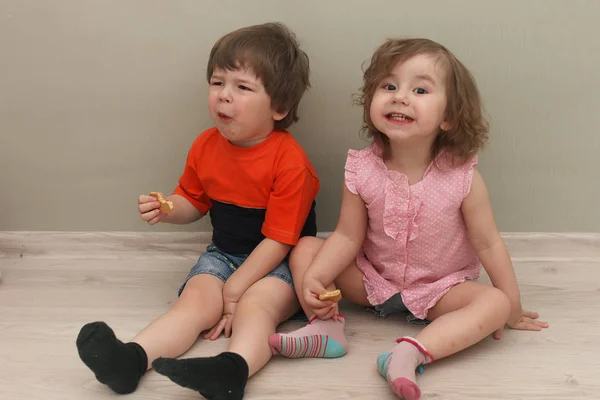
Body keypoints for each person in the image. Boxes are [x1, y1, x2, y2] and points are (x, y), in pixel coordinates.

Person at [269, 38, 548, 400]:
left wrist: (512, 305)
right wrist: (318, 278)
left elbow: (488, 242)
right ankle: (326, 327)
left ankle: (409, 352)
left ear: (448, 116)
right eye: (389, 86)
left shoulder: (462, 177)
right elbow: (347, 237)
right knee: (307, 248)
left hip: (439, 291)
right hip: (373, 283)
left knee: (494, 303)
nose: (400, 96)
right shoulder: (361, 168)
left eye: (419, 89)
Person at [76, 22, 319, 400]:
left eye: (242, 87)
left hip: (281, 264)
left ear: (279, 107)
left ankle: (232, 370)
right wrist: (169, 208)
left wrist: (237, 290)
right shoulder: (206, 146)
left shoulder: (291, 163)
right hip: (223, 255)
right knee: (195, 302)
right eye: (218, 82)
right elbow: (194, 202)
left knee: (257, 308)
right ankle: (130, 361)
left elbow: (279, 240)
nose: (223, 96)